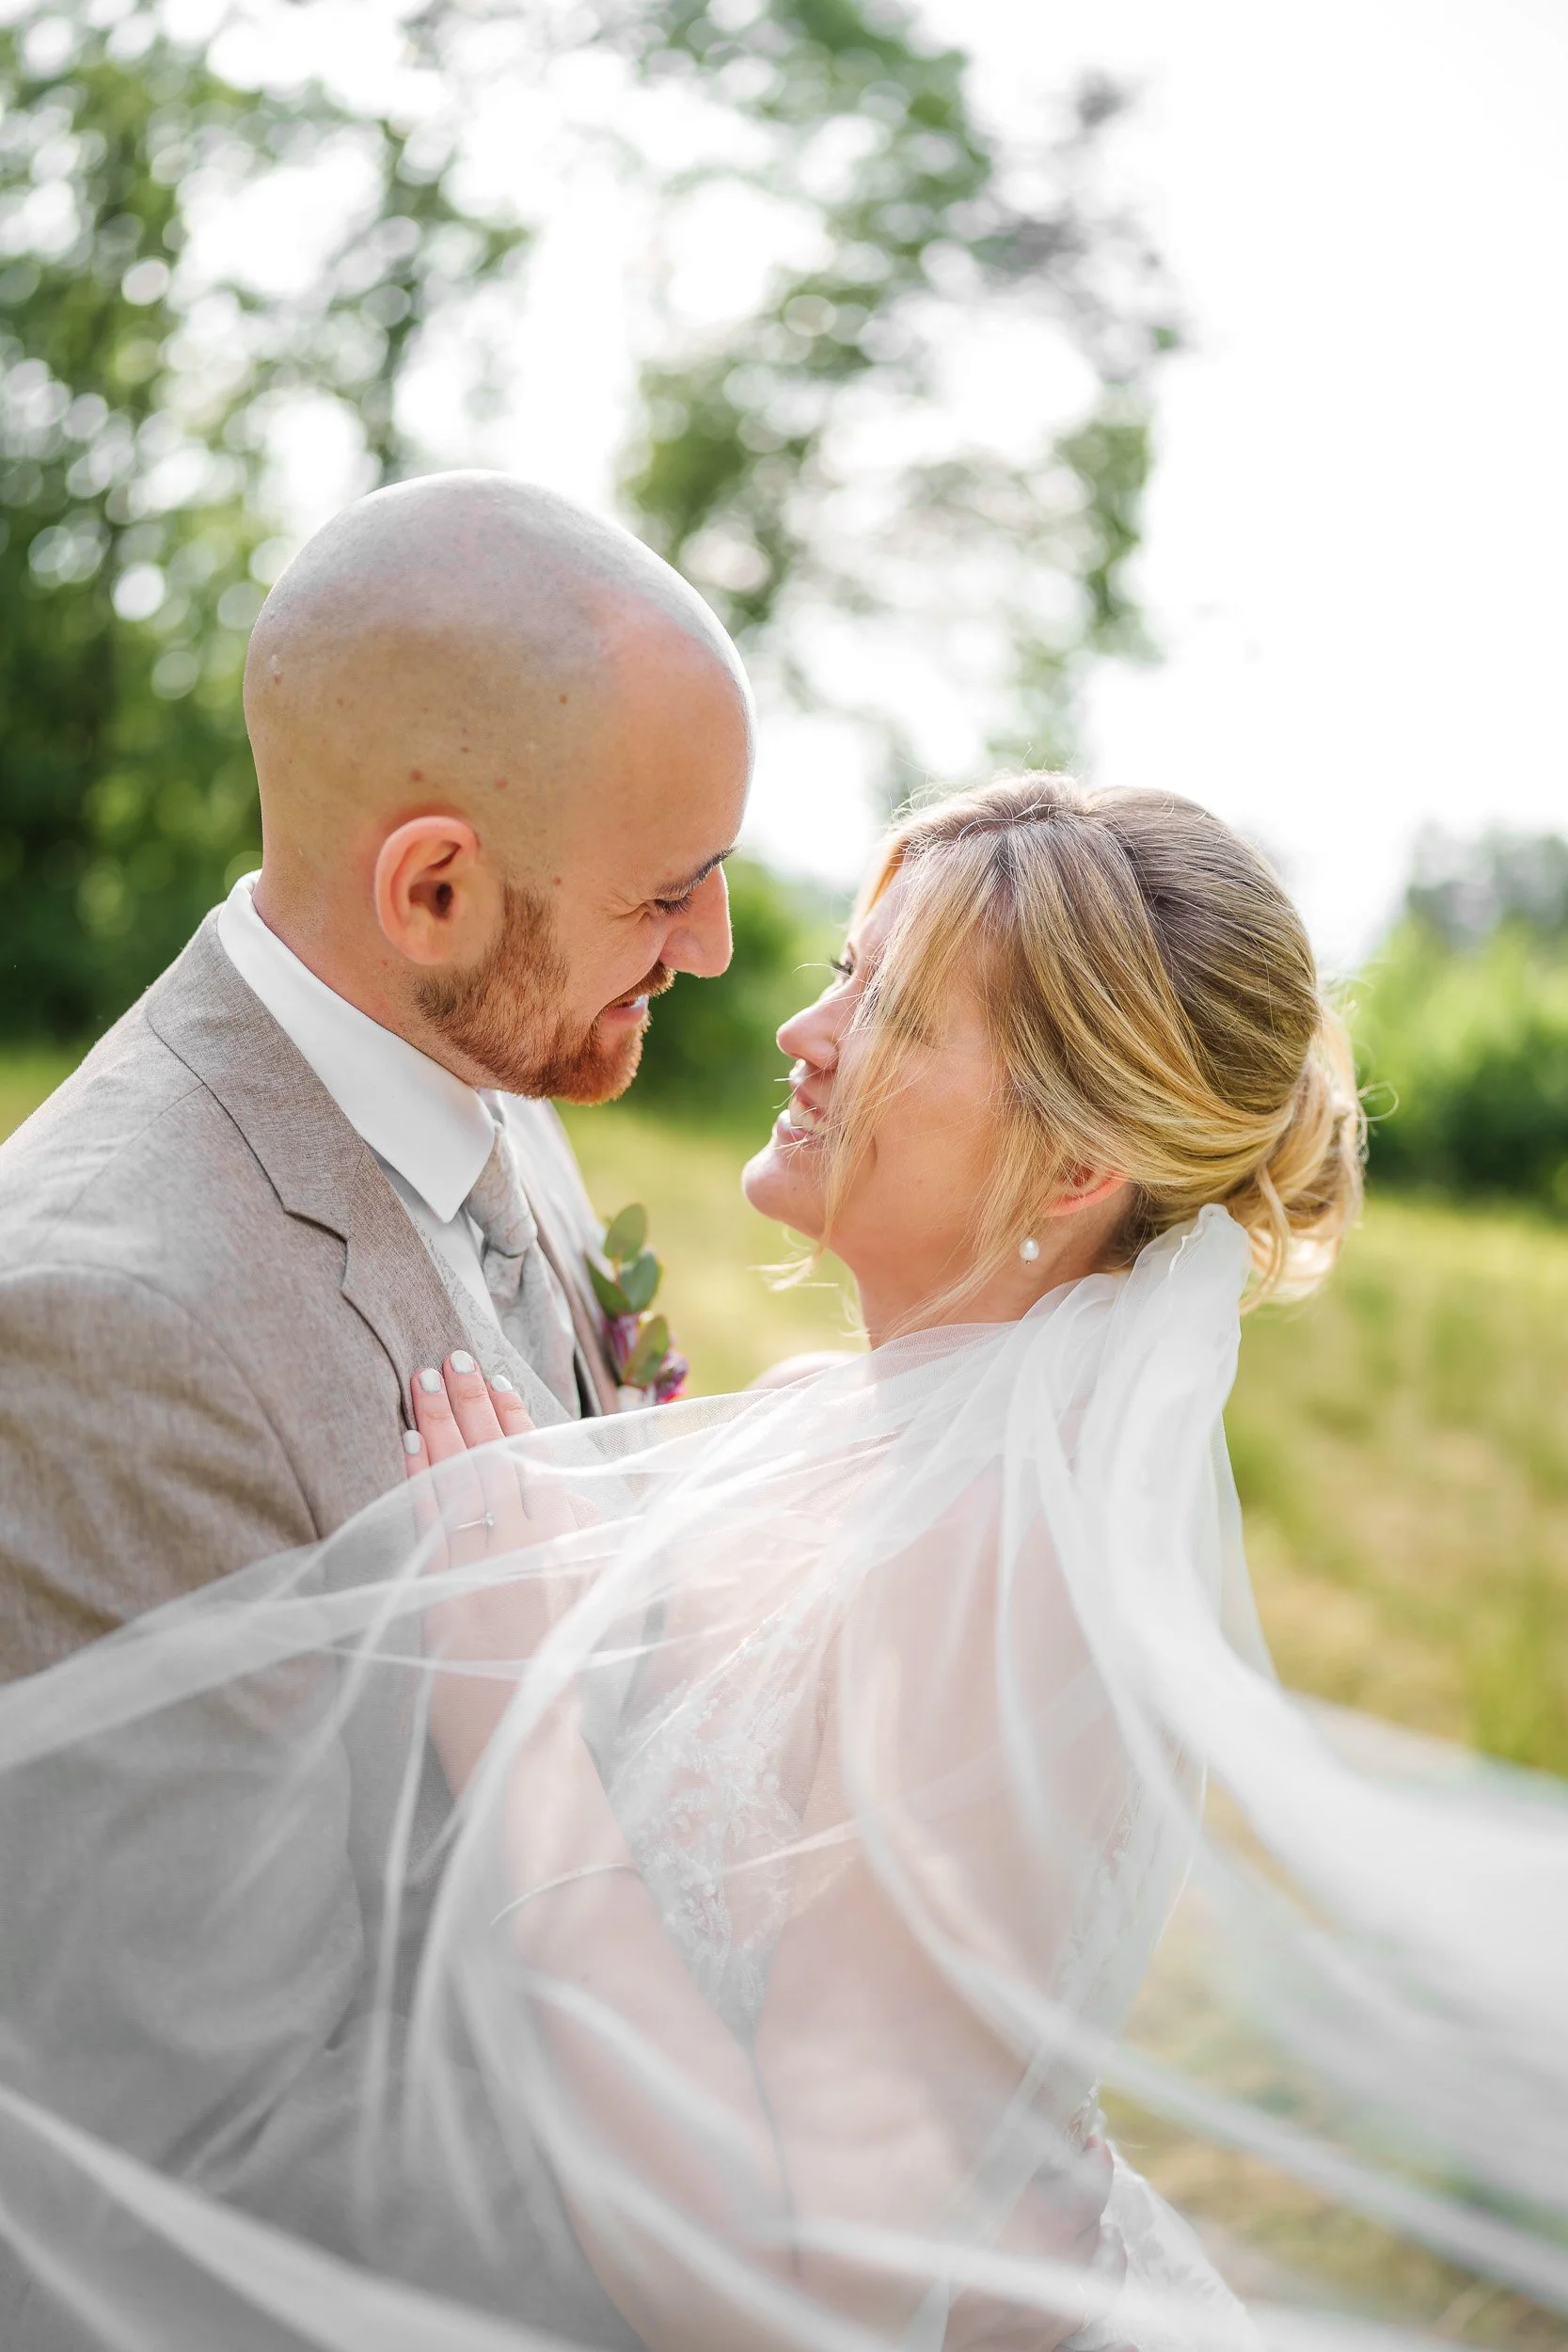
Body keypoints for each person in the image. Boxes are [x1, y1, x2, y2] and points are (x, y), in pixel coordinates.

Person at [2, 770, 1566, 2349]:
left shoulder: (986, 1565)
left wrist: (525, 1729)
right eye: (842, 976)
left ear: (1075, 1167)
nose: (803, 1035)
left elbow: (814, 2292)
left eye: (895, 1015)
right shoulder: (837, 1421)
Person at [0, 470, 749, 2348]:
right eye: (667, 890)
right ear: (431, 889)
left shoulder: (479, 1065)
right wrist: (770, 2243)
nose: (717, 945)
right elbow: (197, 2154)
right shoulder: (111, 1325)